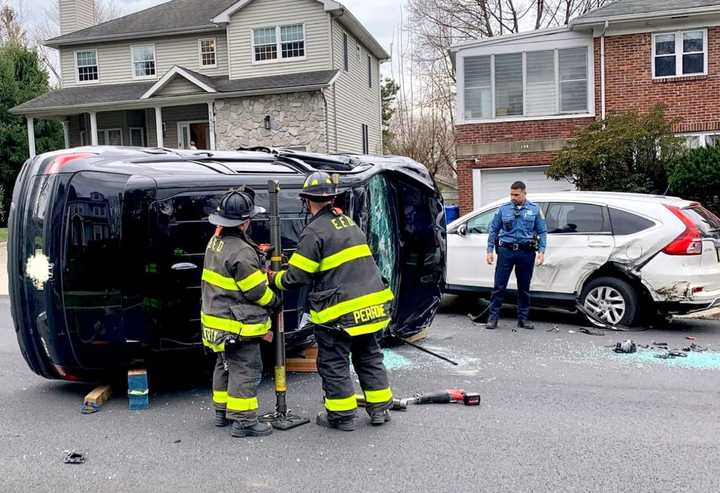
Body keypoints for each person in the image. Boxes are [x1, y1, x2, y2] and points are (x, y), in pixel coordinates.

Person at [270, 171, 394, 431]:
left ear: (306, 201)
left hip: (339, 312)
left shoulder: (314, 231)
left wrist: (272, 278)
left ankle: (341, 416)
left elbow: (296, 277)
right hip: (372, 305)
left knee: (334, 362)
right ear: (331, 198)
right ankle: (380, 410)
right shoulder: (347, 221)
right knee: (369, 356)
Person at [201, 188, 280, 438]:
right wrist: (275, 301)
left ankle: (221, 412)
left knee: (224, 365)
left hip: (215, 322)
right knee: (245, 369)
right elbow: (256, 291)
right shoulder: (243, 253)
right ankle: (244, 422)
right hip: (237, 325)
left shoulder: (216, 241)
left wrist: (259, 255)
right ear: (246, 221)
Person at [485, 181, 547, 330]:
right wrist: (489, 250)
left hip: (526, 252)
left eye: (516, 195)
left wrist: (542, 252)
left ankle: (523, 319)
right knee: (499, 286)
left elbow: (542, 231)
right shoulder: (503, 209)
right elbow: (494, 229)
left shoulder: (534, 209)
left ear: (524, 193)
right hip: (506, 251)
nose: (513, 197)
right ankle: (493, 318)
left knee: (524, 288)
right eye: (511, 194)